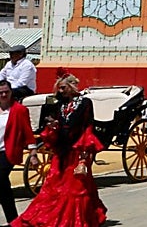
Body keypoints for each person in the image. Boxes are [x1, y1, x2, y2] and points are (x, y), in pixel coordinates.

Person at [13, 74, 107, 227]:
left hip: (77, 151)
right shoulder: (59, 105)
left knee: (76, 187)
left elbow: (87, 127)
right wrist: (53, 126)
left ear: (72, 86)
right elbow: (58, 125)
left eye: (63, 88)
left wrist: (84, 153)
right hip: (61, 152)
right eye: (59, 88)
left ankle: (78, 220)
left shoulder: (85, 103)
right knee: (54, 186)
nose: (61, 91)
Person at [0, 80, 35, 223]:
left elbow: (27, 132)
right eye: (0, 92)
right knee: (3, 186)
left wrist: (33, 152)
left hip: (8, 151)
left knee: (0, 177)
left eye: (6, 92)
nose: (4, 95)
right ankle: (13, 220)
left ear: (11, 92)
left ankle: (13, 220)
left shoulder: (19, 110)